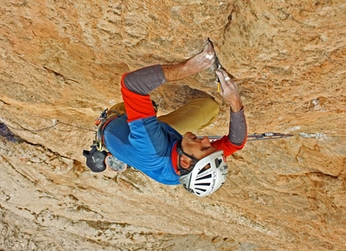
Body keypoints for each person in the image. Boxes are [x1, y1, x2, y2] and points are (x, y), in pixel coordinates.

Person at [93, 39, 246, 196]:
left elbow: (132, 85)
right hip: (156, 141)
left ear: (185, 162)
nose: (207, 139)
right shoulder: (186, 171)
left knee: (145, 112)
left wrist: (188, 68)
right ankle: (138, 138)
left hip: (119, 123)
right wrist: (235, 101)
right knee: (209, 107)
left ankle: (142, 122)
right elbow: (236, 143)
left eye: (204, 147)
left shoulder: (152, 146)